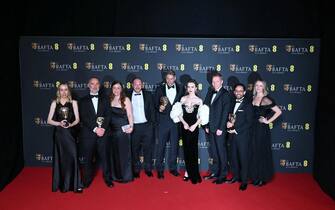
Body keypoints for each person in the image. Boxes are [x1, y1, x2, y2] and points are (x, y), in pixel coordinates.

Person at [170, 79, 209, 184]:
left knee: (193, 151)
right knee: (186, 151)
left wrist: (195, 125)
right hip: (185, 128)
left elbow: (202, 116)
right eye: (189, 87)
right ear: (186, 88)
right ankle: (187, 172)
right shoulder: (182, 99)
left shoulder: (199, 100)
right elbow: (178, 113)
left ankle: (195, 174)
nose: (191, 89)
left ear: (196, 88)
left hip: (194, 128)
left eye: (193, 87)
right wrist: (184, 123)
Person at [47, 83, 83, 193]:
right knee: (61, 158)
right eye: (61, 90)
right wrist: (59, 123)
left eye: (66, 90)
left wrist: (70, 125)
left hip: (70, 133)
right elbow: (49, 120)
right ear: (58, 91)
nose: (63, 92)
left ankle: (76, 184)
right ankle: (62, 184)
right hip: (59, 134)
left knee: (73, 156)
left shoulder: (74, 103)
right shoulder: (54, 103)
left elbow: (77, 119)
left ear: (69, 91)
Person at [78, 77, 113, 188]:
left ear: (99, 86)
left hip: (103, 133)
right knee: (88, 158)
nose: (94, 86)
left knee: (105, 158)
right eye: (92, 84)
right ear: (88, 85)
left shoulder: (106, 99)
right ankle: (87, 180)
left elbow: (108, 115)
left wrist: (102, 128)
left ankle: (108, 179)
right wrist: (95, 129)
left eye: (97, 84)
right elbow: (84, 117)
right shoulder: (82, 101)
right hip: (89, 135)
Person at [249, 80, 282, 186]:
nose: (258, 87)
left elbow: (278, 111)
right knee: (253, 151)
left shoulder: (266, 98)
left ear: (264, 87)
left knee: (260, 151)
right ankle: (254, 176)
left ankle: (262, 177)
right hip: (252, 128)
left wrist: (267, 121)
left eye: (260, 85)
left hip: (261, 129)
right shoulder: (253, 98)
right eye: (257, 85)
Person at [154, 70, 184, 179]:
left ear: (175, 78)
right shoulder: (159, 89)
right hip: (163, 122)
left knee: (174, 147)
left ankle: (172, 168)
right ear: (165, 79)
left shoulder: (181, 88)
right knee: (161, 147)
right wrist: (159, 108)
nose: (170, 81)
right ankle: (160, 170)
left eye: (172, 78)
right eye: (168, 79)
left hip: (176, 123)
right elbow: (155, 104)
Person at [203, 72, 231, 184]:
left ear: (222, 81)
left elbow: (225, 112)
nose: (215, 83)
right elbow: (205, 109)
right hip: (211, 127)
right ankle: (215, 172)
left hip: (219, 129)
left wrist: (221, 128)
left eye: (217, 81)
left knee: (221, 152)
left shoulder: (226, 94)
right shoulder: (210, 92)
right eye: (213, 82)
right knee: (214, 152)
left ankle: (223, 175)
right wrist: (206, 125)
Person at [226, 83, 254, 191]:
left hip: (243, 137)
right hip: (232, 136)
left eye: (240, 91)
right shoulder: (232, 103)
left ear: (244, 92)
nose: (238, 92)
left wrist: (236, 129)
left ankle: (244, 181)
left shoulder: (248, 105)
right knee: (233, 158)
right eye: (236, 91)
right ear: (234, 92)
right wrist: (228, 124)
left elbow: (249, 122)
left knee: (243, 159)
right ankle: (236, 176)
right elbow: (231, 117)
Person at [127, 77, 155, 178]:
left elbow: (152, 110)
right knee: (135, 149)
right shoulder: (127, 95)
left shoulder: (148, 94)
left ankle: (148, 169)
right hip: (134, 127)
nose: (137, 86)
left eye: (139, 84)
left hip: (147, 126)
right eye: (135, 84)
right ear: (132, 85)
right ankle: (136, 170)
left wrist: (152, 124)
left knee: (148, 149)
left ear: (142, 85)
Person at [109, 81, 134, 183]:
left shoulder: (126, 99)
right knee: (114, 154)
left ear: (121, 89)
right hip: (112, 131)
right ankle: (116, 176)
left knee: (124, 154)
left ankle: (125, 176)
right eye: (114, 88)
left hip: (123, 130)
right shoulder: (109, 100)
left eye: (118, 88)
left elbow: (130, 115)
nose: (116, 90)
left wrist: (131, 126)